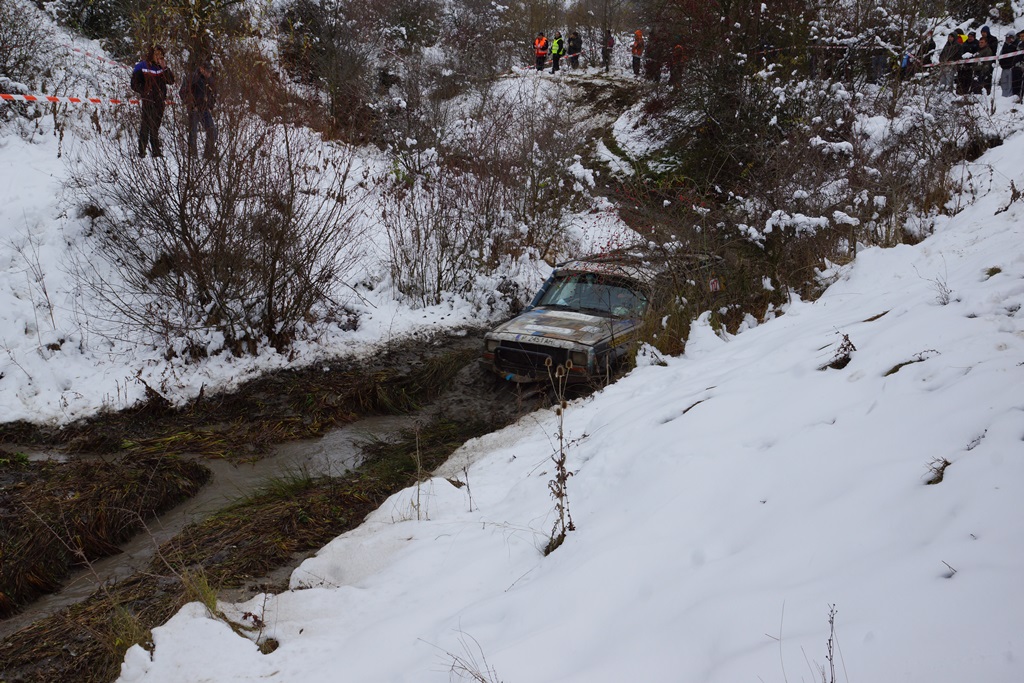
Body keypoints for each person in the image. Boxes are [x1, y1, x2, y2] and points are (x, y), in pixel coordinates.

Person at [131, 45, 175, 158]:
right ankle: (141, 151)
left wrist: (165, 68)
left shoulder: (162, 68)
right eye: (157, 54)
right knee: (145, 126)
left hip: (160, 101)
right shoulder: (142, 66)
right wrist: (145, 92)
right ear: (151, 55)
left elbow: (171, 81)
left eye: (161, 54)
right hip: (148, 100)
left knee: (155, 127)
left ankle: (156, 151)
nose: (159, 57)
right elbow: (134, 84)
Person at [181, 61, 217, 159]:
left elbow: (214, 94)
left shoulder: (210, 80)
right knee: (193, 133)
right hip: (194, 109)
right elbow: (183, 93)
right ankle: (192, 155)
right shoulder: (192, 78)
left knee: (212, 131)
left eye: (210, 71)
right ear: (201, 69)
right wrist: (192, 105)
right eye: (207, 71)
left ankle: (208, 154)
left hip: (205, 109)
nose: (208, 73)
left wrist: (210, 106)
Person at [999, 31, 1019, 97]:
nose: (1008, 39)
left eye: (1010, 38)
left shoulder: (1016, 44)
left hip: (1011, 67)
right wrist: (1000, 61)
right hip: (1004, 67)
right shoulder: (1005, 45)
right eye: (1007, 38)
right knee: (1003, 82)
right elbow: (1001, 54)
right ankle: (1004, 95)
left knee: (1010, 83)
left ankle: (1010, 96)